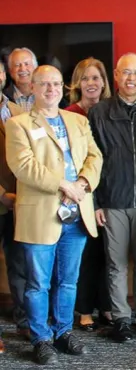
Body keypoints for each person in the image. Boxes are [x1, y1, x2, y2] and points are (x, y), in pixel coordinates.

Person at [5, 65, 103, 365]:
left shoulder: (77, 120)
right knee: (38, 283)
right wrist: (64, 185)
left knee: (69, 280)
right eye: (44, 84)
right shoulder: (18, 124)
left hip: (77, 213)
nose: (51, 89)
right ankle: (41, 339)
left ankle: (62, 332)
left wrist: (83, 184)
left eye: (56, 84)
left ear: (64, 88)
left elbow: (94, 156)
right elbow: (23, 165)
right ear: (32, 87)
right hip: (41, 214)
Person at [88, 53, 136, 343]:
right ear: (116, 76)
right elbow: (90, 161)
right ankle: (121, 318)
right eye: (126, 73)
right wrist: (95, 202)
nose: (132, 78)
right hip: (112, 200)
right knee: (116, 263)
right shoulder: (99, 113)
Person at [65, 58, 113, 331]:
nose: (91, 83)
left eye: (96, 78)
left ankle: (106, 306)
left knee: (109, 254)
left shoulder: (110, 111)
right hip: (81, 193)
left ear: (104, 82)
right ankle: (84, 309)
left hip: (110, 192)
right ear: (77, 84)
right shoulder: (69, 114)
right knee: (86, 254)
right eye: (85, 78)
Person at [0, 60, 25, 352]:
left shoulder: (17, 111)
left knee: (20, 266)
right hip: (4, 198)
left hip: (20, 204)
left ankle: (24, 322)